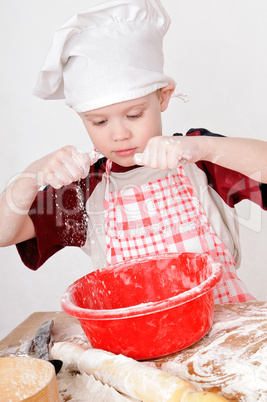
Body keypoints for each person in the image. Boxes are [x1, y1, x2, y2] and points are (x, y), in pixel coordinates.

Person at [0, 0, 266, 304]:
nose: (119, 134)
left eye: (134, 115)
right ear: (81, 117)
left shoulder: (200, 161)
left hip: (225, 335)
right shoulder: (87, 187)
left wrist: (206, 147)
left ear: (163, 97)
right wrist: (32, 174)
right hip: (140, 345)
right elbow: (4, 232)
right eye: (99, 121)